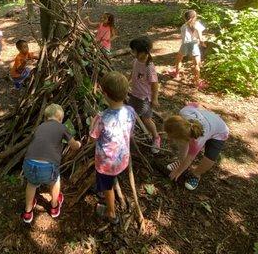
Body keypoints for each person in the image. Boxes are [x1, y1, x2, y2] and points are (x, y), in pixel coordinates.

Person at [21, 104, 82, 223]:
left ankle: (27, 212)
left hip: (28, 163)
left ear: (45, 118)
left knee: (31, 184)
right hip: (48, 167)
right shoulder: (62, 127)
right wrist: (79, 144)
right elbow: (74, 146)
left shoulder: (40, 127)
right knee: (55, 181)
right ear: (60, 118)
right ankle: (54, 206)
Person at [90, 71, 136, 225]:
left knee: (107, 185)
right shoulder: (130, 111)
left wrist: (92, 123)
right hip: (122, 157)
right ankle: (102, 189)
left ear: (105, 94)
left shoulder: (101, 118)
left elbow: (92, 137)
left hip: (106, 163)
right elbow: (131, 131)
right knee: (108, 179)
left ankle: (111, 213)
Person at [165, 103, 229, 190]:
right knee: (182, 144)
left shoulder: (197, 140)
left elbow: (190, 157)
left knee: (209, 158)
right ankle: (180, 161)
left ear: (188, 137)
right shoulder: (184, 112)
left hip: (220, 132)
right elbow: (194, 104)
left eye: (171, 136)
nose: (168, 137)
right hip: (210, 120)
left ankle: (196, 174)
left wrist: (179, 171)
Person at [127, 37, 161, 153]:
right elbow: (133, 72)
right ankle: (130, 133)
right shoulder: (137, 61)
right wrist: (127, 81)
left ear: (143, 52)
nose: (133, 53)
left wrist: (155, 98)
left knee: (146, 119)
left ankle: (156, 137)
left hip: (144, 98)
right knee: (131, 114)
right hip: (134, 94)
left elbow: (155, 84)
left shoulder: (149, 67)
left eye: (135, 51)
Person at [170, 10, 207, 89]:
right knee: (196, 64)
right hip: (194, 45)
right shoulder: (197, 24)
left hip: (184, 45)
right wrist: (202, 42)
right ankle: (197, 82)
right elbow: (200, 36)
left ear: (185, 18)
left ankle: (176, 74)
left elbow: (184, 37)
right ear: (194, 17)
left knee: (179, 59)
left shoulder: (183, 26)